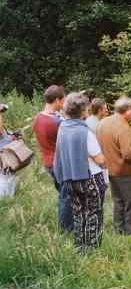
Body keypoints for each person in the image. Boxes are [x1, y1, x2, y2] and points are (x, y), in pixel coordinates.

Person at [53, 92, 107, 251]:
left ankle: (80, 247)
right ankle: (92, 249)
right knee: (93, 213)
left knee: (78, 213)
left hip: (71, 177)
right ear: (83, 111)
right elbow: (100, 159)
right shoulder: (85, 132)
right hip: (90, 178)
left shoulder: (62, 127)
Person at [96, 96, 131, 235]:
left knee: (118, 201)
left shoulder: (103, 123)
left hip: (110, 170)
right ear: (127, 110)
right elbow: (128, 154)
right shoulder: (123, 127)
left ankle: (118, 230)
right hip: (125, 172)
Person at [32, 85, 73, 231]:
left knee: (63, 194)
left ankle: (66, 224)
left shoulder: (38, 117)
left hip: (47, 162)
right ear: (57, 100)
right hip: (60, 163)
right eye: (62, 101)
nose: (63, 104)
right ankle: (66, 229)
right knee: (66, 197)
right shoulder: (56, 122)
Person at [0, 109, 16, 198]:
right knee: (5, 181)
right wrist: (12, 138)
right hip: (4, 163)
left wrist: (11, 136)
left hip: (7, 165)